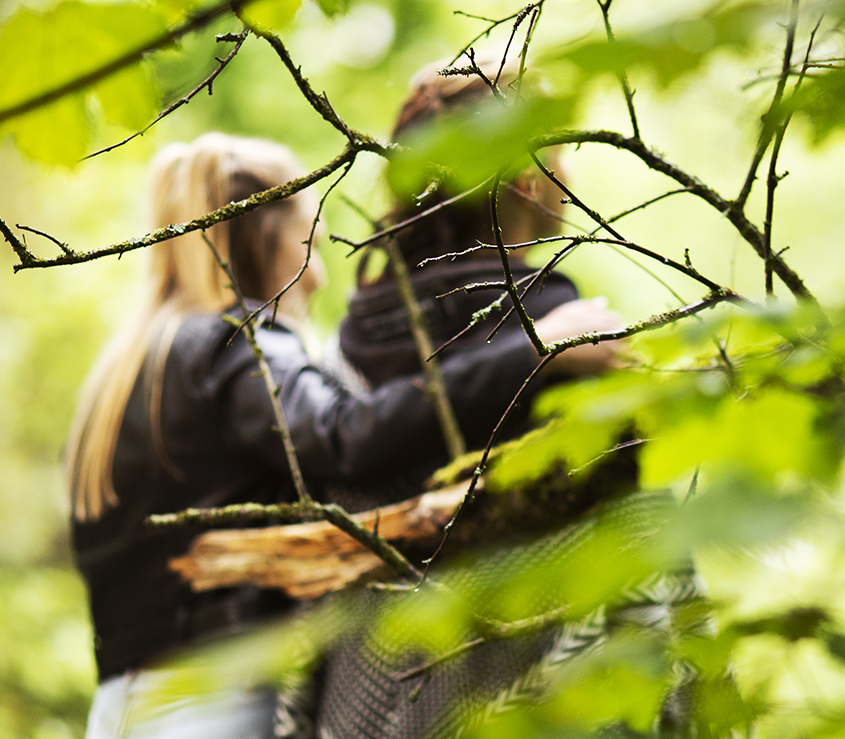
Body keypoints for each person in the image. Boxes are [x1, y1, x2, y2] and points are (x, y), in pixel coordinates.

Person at [63, 133, 624, 739]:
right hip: (217, 693)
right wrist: (536, 350)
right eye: (310, 245)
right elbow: (346, 436)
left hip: (123, 701)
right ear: (264, 237)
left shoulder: (125, 365)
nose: (319, 277)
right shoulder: (233, 345)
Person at [313, 57, 691, 739]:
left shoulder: (355, 336)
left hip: (383, 690)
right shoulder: (568, 331)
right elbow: (638, 535)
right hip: (550, 690)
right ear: (525, 178)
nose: (567, 178)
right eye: (558, 157)